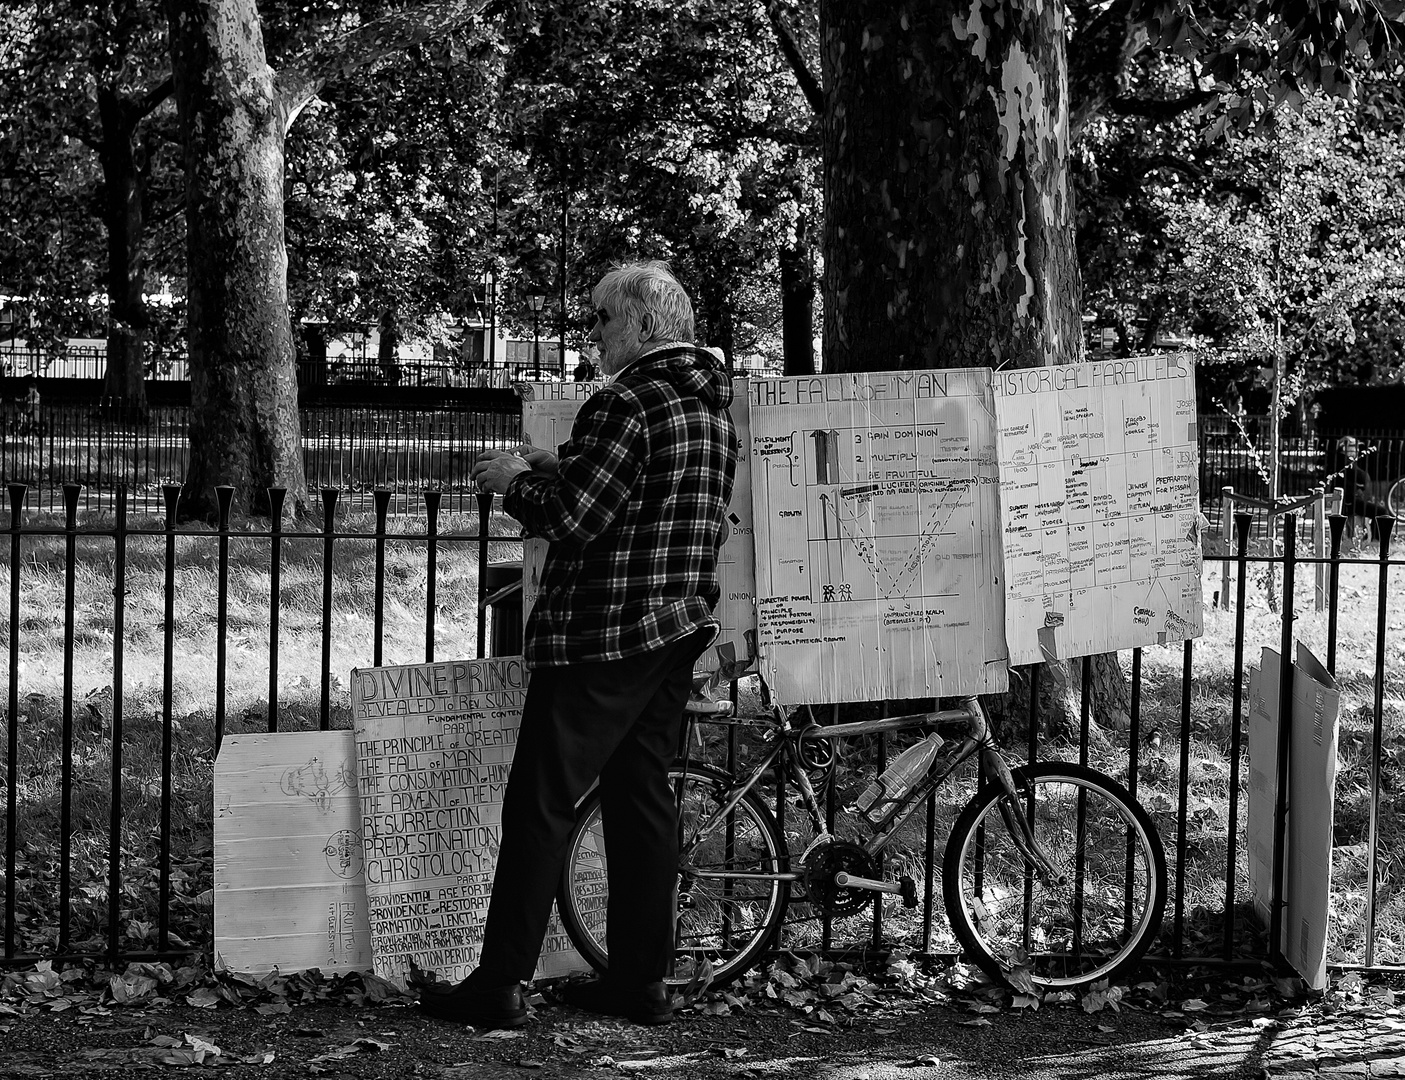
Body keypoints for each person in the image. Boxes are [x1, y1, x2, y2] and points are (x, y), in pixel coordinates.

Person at [419, 261, 737, 1029]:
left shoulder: (622, 401)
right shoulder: (707, 409)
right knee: (640, 804)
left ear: (642, 323)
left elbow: (576, 520)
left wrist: (509, 483)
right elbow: (631, 490)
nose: (591, 331)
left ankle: (498, 985)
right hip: (671, 629)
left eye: (600, 317)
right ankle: (639, 982)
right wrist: (551, 464)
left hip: (601, 635)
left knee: (539, 805)